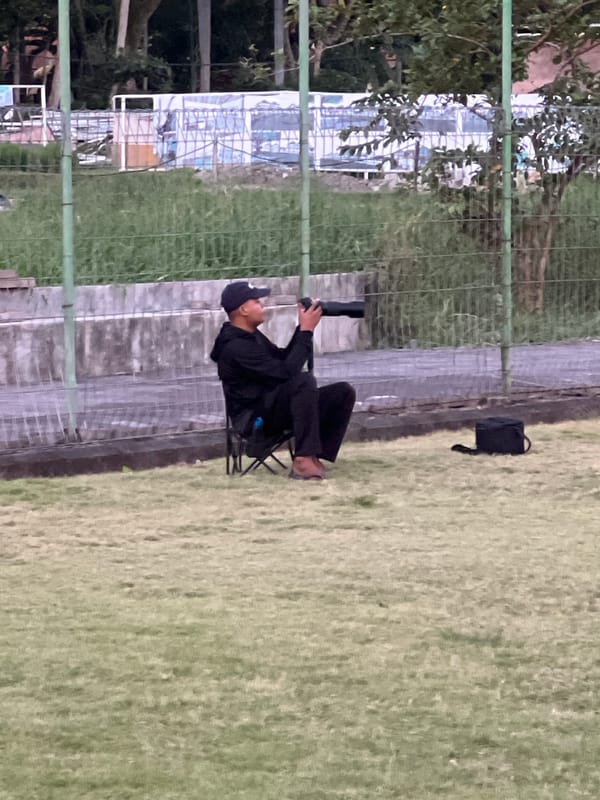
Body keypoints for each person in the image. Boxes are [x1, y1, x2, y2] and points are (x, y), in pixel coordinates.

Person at [210, 281, 356, 480]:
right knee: (303, 381)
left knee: (342, 392)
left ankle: (314, 455)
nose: (262, 305)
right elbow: (287, 371)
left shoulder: (250, 337)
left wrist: (302, 328)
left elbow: (283, 361)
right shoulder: (235, 347)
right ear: (243, 309)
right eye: (257, 301)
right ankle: (302, 462)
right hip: (255, 422)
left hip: (271, 407)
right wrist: (306, 331)